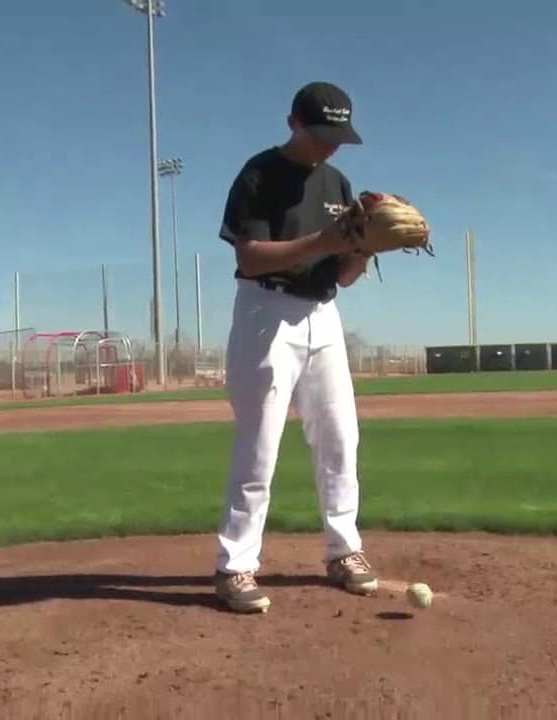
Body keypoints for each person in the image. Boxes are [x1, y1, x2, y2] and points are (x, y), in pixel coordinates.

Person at [212, 81, 377, 613]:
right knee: (260, 443)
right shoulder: (260, 173)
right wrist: (324, 241)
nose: (330, 146)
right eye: (321, 135)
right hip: (266, 311)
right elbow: (250, 257)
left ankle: (344, 551)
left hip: (323, 314)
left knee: (340, 437)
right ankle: (235, 566)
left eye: (338, 138)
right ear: (293, 124)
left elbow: (344, 274)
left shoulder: (337, 182)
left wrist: (367, 247)